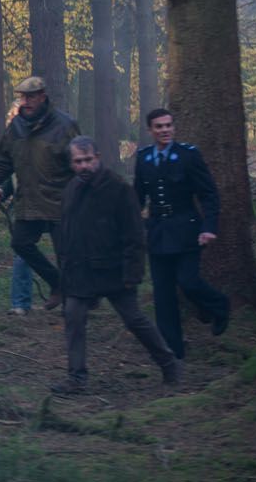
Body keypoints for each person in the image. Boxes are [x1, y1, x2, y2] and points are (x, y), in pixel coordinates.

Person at [54, 136, 180, 394]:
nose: (84, 166)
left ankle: (169, 364)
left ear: (98, 157)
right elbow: (66, 232)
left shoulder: (119, 189)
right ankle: (76, 378)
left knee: (134, 319)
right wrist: (65, 271)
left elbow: (134, 235)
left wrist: (133, 273)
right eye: (78, 161)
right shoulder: (71, 190)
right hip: (79, 273)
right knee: (74, 318)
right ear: (72, 164)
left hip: (114, 271)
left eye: (88, 160)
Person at [0, 76, 78, 310]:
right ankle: (57, 283)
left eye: (31, 97)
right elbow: (2, 163)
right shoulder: (16, 127)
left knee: (66, 255)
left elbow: (78, 163)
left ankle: (74, 306)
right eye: (23, 97)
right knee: (20, 244)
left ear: (43, 96)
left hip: (60, 202)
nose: (26, 102)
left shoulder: (65, 125)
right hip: (29, 201)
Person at [133, 108, 231, 358]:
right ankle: (172, 354)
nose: (165, 130)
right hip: (157, 233)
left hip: (187, 229)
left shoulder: (188, 155)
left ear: (174, 127)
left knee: (188, 282)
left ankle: (220, 306)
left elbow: (208, 194)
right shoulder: (143, 158)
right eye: (159, 126)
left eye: (168, 125)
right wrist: (133, 229)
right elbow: (137, 198)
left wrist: (209, 227)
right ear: (150, 130)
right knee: (163, 295)